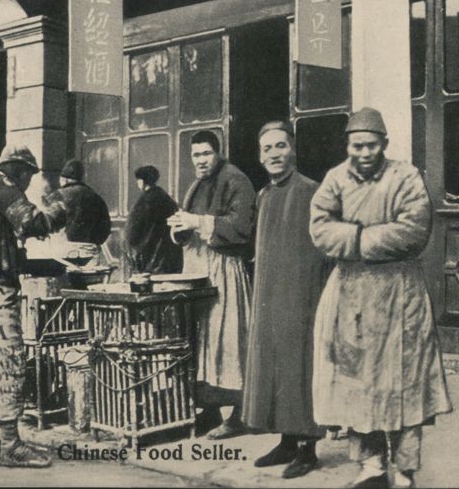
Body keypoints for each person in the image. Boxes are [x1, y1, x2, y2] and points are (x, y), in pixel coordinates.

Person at [309, 108, 453, 488]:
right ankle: (371, 464)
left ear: (384, 145)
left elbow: (413, 231)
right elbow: (320, 230)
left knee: (406, 381)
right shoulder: (334, 179)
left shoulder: (405, 176)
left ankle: (404, 470)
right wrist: (366, 238)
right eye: (356, 145)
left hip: (401, 293)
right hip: (352, 293)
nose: (363, 152)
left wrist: (354, 238)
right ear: (347, 145)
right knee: (358, 382)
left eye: (371, 145)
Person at [0, 145, 66, 468]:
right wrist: (63, 205)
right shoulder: (2, 187)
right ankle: (12, 446)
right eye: (29, 177)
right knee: (8, 360)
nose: (29, 184)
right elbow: (34, 223)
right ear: (18, 170)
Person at [242, 121, 332, 479]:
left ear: (292, 150)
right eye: (267, 149)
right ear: (261, 157)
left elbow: (325, 247)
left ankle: (308, 448)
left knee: (300, 366)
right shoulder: (264, 196)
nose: (274, 154)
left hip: (302, 295)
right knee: (274, 366)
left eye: (280, 146)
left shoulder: (312, 191)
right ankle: (285, 440)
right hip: (269, 294)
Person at [167, 130, 255, 440]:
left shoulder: (236, 179)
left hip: (224, 270)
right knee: (202, 344)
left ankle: (242, 414)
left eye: (206, 154)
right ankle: (210, 410)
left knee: (228, 342)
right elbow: (186, 227)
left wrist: (199, 222)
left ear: (218, 153)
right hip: (197, 269)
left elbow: (242, 227)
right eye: (196, 155)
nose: (201, 160)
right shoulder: (195, 185)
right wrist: (179, 227)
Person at [44, 159, 112, 265]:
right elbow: (105, 229)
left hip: (63, 254)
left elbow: (47, 223)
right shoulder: (95, 197)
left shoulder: (57, 196)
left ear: (64, 179)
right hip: (90, 254)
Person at [125, 165, 183, 274]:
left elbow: (132, 232)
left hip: (152, 257)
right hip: (171, 254)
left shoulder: (144, 201)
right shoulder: (166, 197)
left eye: (138, 181)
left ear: (142, 181)